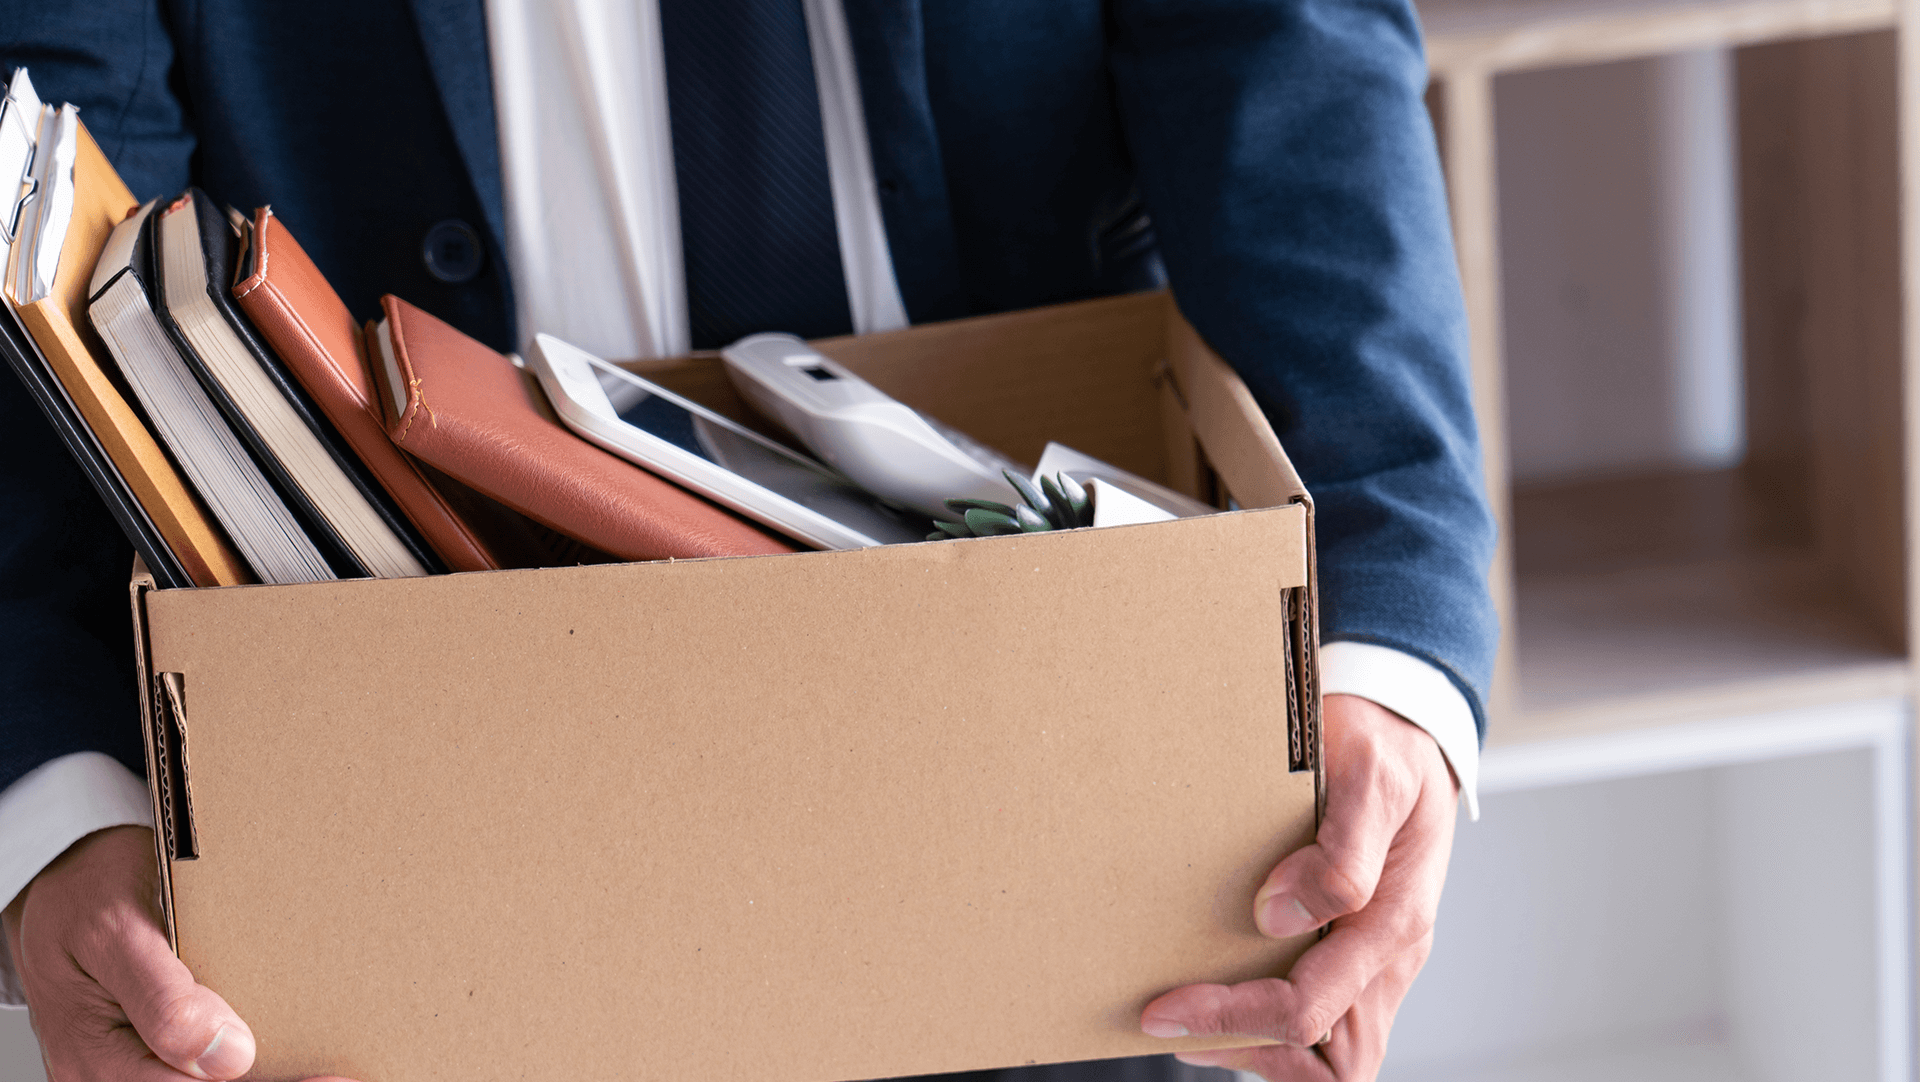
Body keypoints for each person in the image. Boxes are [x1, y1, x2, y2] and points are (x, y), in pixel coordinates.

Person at [0, 1, 1497, 1080]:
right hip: (391, 850)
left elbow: (1274, 42)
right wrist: (64, 798)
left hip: (1032, 769)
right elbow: (47, 163)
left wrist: (1388, 647)